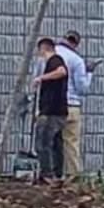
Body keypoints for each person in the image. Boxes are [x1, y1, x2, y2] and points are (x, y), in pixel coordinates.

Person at [55, 30, 97, 179]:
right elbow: (82, 88)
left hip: (50, 106)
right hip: (70, 105)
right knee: (71, 142)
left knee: (50, 142)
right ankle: (72, 177)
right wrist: (89, 72)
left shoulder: (47, 57)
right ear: (76, 43)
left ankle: (49, 175)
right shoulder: (76, 60)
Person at [32, 37, 69, 183]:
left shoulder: (55, 60)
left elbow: (62, 72)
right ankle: (58, 174)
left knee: (43, 143)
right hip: (58, 111)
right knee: (56, 144)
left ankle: (47, 174)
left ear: (43, 49)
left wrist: (41, 78)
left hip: (51, 111)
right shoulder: (55, 61)